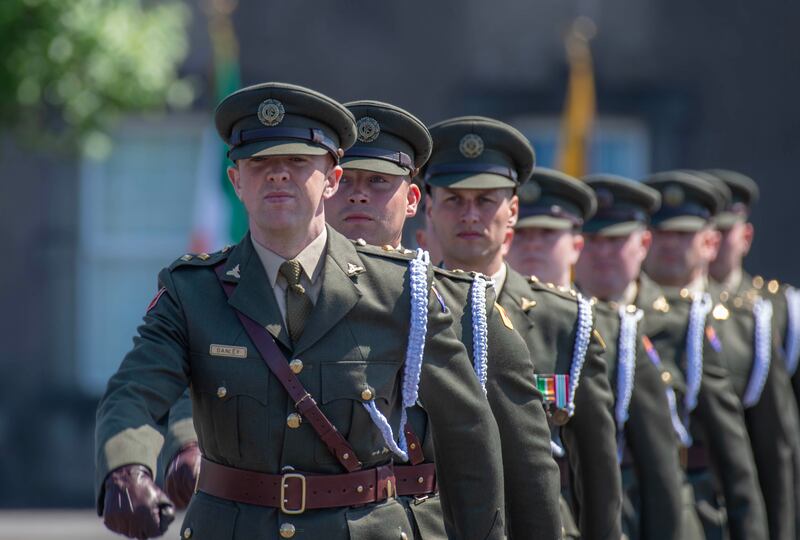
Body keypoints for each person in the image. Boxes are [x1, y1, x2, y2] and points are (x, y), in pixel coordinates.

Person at [94, 82, 507, 540]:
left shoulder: (399, 289)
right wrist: (125, 467)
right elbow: (137, 388)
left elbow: (466, 431)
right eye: (260, 163)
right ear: (236, 182)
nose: (277, 175)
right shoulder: (191, 292)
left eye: (296, 161)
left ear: (331, 179)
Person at [325, 99, 561, 539]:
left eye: (378, 181)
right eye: (347, 180)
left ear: (413, 199)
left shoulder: (469, 309)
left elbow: (528, 470)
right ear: (324, 186)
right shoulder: (286, 299)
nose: (358, 194)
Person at [424, 117, 620, 540]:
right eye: (454, 200)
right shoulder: (403, 306)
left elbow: (597, 477)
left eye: (486, 200)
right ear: (428, 208)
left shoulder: (564, 321)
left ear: (513, 210)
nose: (470, 215)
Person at [641, 170, 769, 540]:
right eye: (661, 233)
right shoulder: (615, 319)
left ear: (710, 242)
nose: (669, 246)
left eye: (682, 234)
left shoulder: (748, 323)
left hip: (705, 503)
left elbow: (768, 451)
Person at [574, 174, 698, 540]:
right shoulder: (556, 323)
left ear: (644, 242)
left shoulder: (682, 325)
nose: (601, 253)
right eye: (592, 240)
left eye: (615, 240)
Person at [701, 169, 798, 540]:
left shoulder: (780, 309)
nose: (714, 243)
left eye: (724, 232)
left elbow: (782, 438)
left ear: (746, 236)